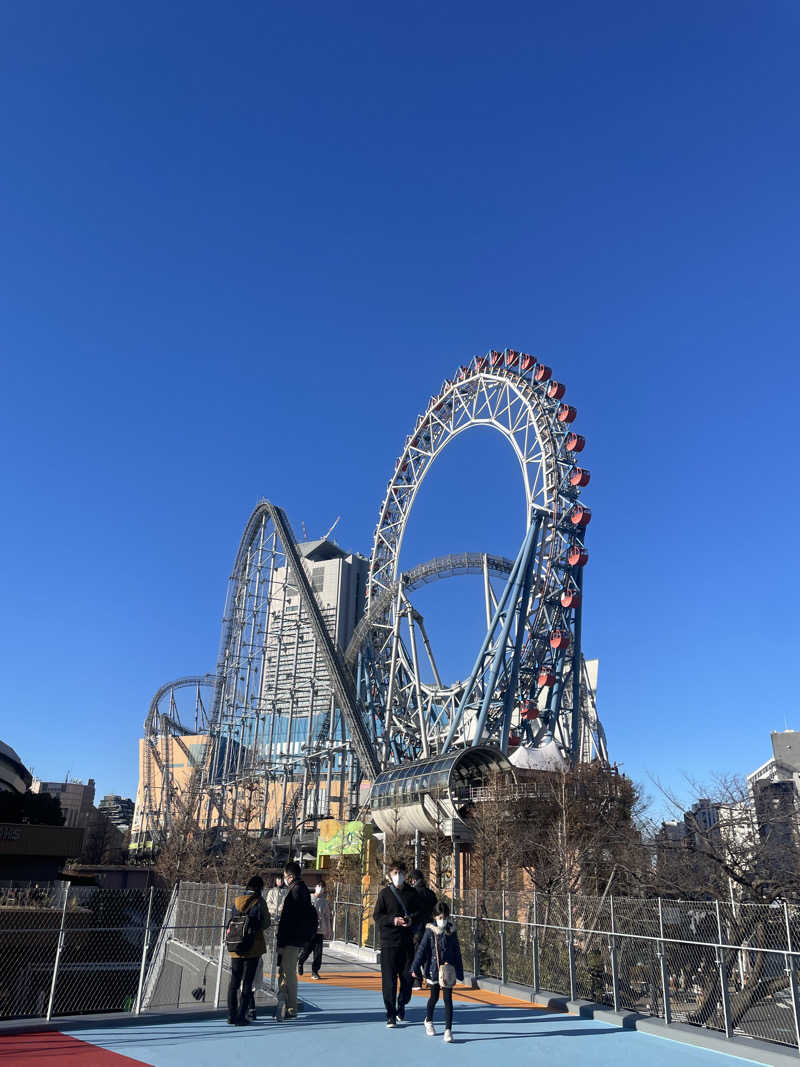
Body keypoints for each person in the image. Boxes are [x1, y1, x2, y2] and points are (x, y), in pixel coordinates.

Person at [373, 859, 420, 1028]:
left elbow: (420, 913)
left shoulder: (412, 894)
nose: (398, 876)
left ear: (405, 874)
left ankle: (402, 1003)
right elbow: (377, 916)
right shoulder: (384, 894)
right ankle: (390, 1014)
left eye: (400, 873)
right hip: (389, 943)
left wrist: (410, 919)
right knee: (389, 981)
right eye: (394, 873)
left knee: (407, 979)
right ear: (389, 875)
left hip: (407, 943)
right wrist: (392, 920)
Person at [411, 900, 464, 1043]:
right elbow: (421, 951)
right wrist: (415, 968)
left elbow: (457, 951)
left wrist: (459, 971)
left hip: (448, 970)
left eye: (445, 917)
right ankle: (428, 1020)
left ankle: (448, 1030)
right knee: (433, 998)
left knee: (448, 1000)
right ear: (434, 917)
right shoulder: (430, 931)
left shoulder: (451, 931)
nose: (443, 920)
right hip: (434, 970)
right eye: (440, 918)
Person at [227, 875, 270, 1026]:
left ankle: (231, 1015)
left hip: (236, 946)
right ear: (259, 888)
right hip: (253, 947)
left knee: (234, 981)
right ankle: (241, 1015)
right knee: (247, 982)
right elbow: (266, 923)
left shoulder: (236, 901)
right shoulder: (260, 902)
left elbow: (232, 919)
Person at [276, 861, 316, 1020]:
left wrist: (281, 941)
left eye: (285, 877)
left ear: (290, 876)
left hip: (291, 939)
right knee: (287, 971)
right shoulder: (302, 890)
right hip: (297, 938)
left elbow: (288, 920)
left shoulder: (295, 892)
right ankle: (287, 1003)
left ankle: (290, 1006)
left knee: (288, 972)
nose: (284, 879)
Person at [298, 877, 333, 979]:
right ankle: (300, 962)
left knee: (318, 953)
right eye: (320, 887)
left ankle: (315, 971)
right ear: (316, 887)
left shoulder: (324, 902)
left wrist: (328, 930)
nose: (321, 889)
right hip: (309, 930)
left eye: (323, 888)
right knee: (306, 950)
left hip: (320, 930)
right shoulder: (309, 898)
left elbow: (327, 916)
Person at [409, 870, 437, 987]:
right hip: (430, 927)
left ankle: (417, 980)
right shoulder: (431, 894)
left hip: (416, 928)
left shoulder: (412, 893)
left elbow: (410, 910)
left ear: (414, 880)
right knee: (428, 953)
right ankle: (430, 978)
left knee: (416, 954)